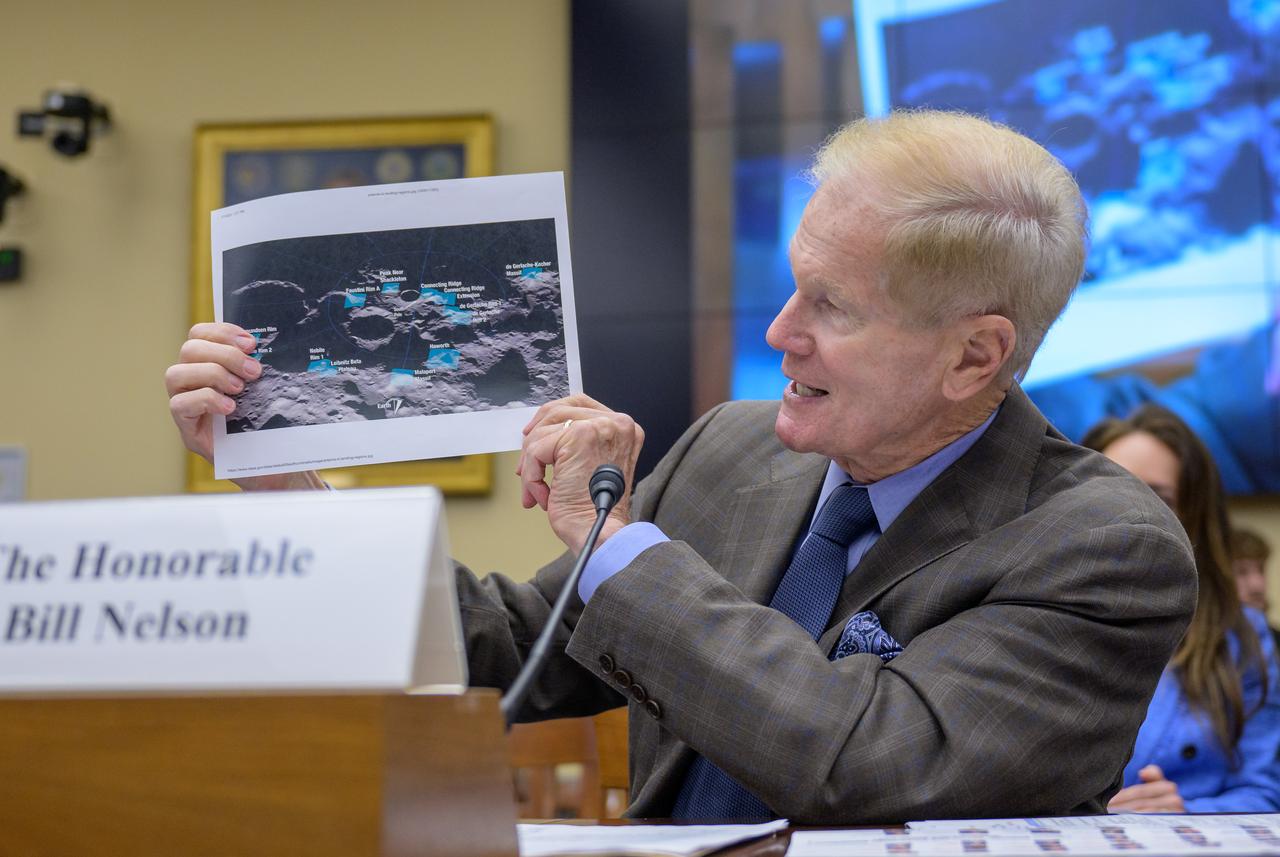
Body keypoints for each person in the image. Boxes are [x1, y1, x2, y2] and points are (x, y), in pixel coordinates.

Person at [165, 110, 1197, 823]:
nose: (781, 330)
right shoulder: (731, 448)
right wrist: (280, 477)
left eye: (831, 306)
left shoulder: (1101, 543)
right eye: (793, 286)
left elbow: (861, 759)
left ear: (973, 353)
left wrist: (617, 545)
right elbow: (504, 650)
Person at [1082, 406, 1280, 813]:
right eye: (1108, 489)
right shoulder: (1028, 614)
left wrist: (1184, 812)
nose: (1129, 514)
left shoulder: (1244, 638)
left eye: (1158, 498)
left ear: (1194, 517)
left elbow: (1265, 794)